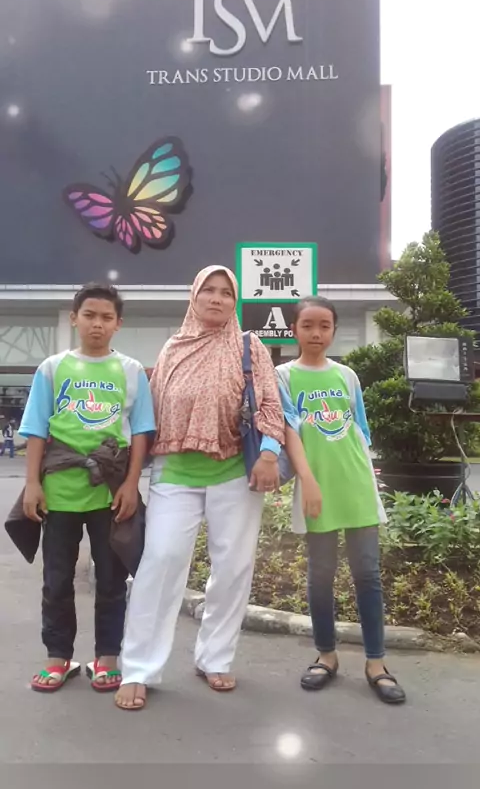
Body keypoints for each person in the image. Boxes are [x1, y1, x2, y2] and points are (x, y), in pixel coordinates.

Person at [115, 265, 285, 711]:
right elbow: (149, 413)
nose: (216, 298)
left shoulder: (250, 346)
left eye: (226, 292)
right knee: (160, 561)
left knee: (232, 567)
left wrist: (269, 454)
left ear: (235, 301)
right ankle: (139, 667)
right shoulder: (173, 347)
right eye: (208, 290)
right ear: (194, 296)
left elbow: (270, 404)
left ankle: (215, 657)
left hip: (235, 471)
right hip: (175, 471)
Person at [19, 283, 155, 693]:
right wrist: (32, 484)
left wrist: (131, 483)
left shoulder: (131, 371)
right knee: (57, 578)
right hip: (59, 490)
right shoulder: (52, 368)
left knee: (112, 578)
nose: (98, 324)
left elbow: (142, 432)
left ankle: (107, 657)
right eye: (90, 315)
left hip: (110, 492)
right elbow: (35, 429)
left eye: (106, 317)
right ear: (74, 318)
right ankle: (58, 657)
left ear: (118, 324)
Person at [276, 296, 406, 705]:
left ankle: (376, 663)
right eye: (308, 325)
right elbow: (288, 429)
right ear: (294, 330)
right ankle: (326, 655)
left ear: (333, 330)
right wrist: (307, 480)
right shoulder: (283, 376)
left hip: (356, 484)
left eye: (324, 326)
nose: (316, 333)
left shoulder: (347, 375)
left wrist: (366, 475)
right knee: (321, 576)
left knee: (368, 574)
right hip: (316, 487)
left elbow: (361, 430)